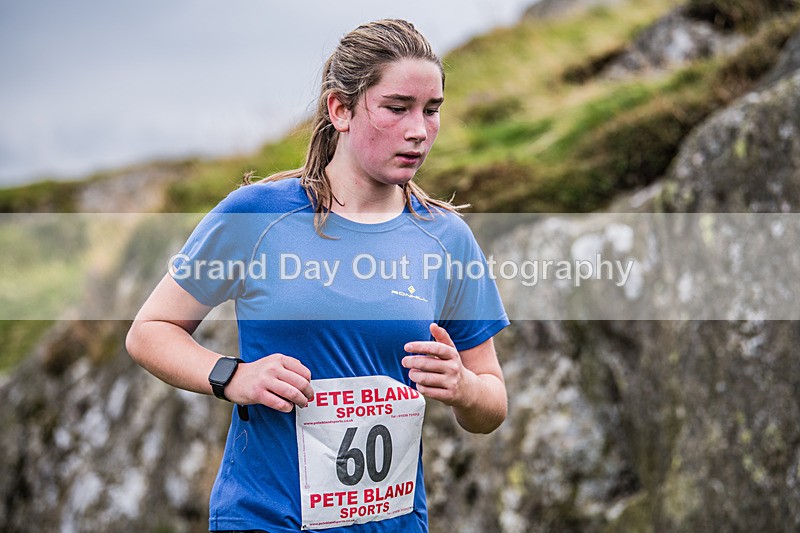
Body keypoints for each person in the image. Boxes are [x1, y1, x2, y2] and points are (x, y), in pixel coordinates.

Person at [126, 18, 509, 533]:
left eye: (431, 110)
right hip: (265, 519)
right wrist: (233, 376)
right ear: (340, 109)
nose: (419, 129)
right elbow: (150, 332)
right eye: (397, 108)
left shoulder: (446, 238)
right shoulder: (258, 216)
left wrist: (462, 387)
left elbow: (492, 402)